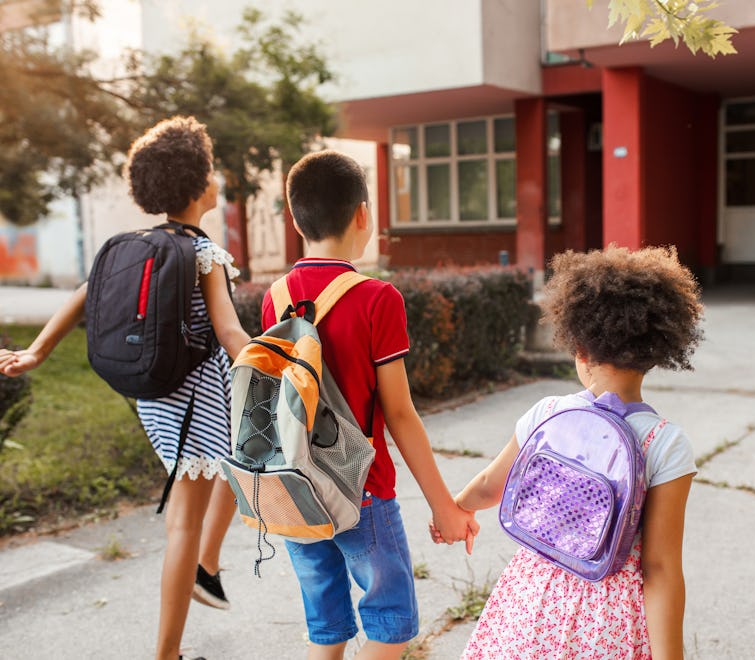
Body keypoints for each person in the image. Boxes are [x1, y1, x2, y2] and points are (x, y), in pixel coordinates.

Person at [0, 116, 250, 660]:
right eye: (209, 171)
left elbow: (83, 295)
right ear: (193, 185)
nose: (216, 180)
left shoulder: (138, 245)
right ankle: (169, 649)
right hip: (197, 405)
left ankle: (206, 569)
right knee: (187, 520)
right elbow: (231, 334)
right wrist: (284, 368)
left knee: (234, 474)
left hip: (156, 399)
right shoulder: (203, 254)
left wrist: (38, 351)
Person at [433, 245, 704, 659]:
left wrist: (458, 510)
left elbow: (491, 486)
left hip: (534, 600)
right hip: (610, 619)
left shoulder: (548, 414)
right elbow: (660, 568)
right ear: (655, 353)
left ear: (579, 347)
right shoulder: (665, 443)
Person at [260, 149, 479, 660]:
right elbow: (399, 413)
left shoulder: (276, 295)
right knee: (390, 624)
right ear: (364, 215)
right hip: (362, 492)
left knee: (327, 624)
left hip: (294, 486)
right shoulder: (378, 299)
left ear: (295, 219)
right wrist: (443, 506)